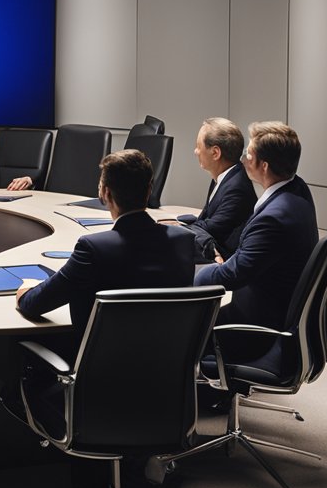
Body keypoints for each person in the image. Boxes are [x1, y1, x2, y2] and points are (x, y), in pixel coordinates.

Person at [15, 149, 195, 359]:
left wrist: (25, 290)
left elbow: (34, 305)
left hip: (101, 376)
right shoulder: (183, 240)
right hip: (167, 371)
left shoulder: (93, 248)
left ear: (105, 194)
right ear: (149, 191)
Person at [195, 121, 318, 331]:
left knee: (181, 330)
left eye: (249, 155)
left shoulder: (273, 218)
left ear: (264, 166)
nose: (243, 160)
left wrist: (198, 274)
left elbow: (233, 275)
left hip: (259, 323)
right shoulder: (297, 188)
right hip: (278, 305)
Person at [162, 117, 256, 262]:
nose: (196, 151)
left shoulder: (237, 187)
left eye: (198, 146)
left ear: (215, 153)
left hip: (223, 263)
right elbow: (206, 221)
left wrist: (179, 227)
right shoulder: (225, 176)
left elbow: (211, 228)